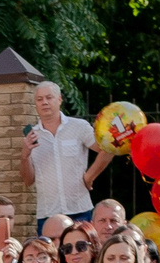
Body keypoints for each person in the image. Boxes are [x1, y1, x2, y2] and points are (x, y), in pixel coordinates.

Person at [22, 81, 105, 224]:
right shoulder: (31, 135)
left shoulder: (79, 127)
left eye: (49, 97)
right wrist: (25, 155)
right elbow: (28, 181)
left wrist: (89, 177)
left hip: (80, 210)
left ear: (59, 99)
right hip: (48, 215)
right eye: (39, 99)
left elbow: (105, 149)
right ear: (35, 104)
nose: (45, 102)